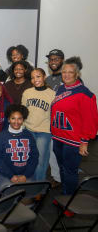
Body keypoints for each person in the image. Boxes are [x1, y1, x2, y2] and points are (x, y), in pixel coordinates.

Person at [51, 57, 98, 195]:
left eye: (70, 72)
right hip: (58, 138)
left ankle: (69, 200)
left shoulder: (85, 94)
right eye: (64, 72)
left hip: (73, 141)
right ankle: (65, 193)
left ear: (77, 74)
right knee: (62, 168)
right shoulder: (60, 88)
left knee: (70, 170)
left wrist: (84, 142)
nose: (66, 74)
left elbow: (90, 120)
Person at [0, 104, 39, 195]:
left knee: (29, 198)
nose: (16, 121)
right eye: (13, 118)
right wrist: (10, 175)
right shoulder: (2, 136)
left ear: (23, 120)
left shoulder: (28, 135)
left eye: (19, 118)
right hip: (6, 175)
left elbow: (34, 157)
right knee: (7, 197)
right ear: (8, 119)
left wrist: (26, 175)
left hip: (26, 174)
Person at [21, 68, 55, 181]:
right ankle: (30, 182)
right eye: (33, 77)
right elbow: (23, 112)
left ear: (44, 77)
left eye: (38, 76)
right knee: (29, 158)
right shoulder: (27, 93)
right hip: (29, 129)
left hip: (44, 131)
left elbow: (53, 115)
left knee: (41, 160)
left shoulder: (52, 94)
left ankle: (39, 186)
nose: (35, 79)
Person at [45, 49, 65, 188]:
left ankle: (65, 181)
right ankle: (57, 177)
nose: (53, 62)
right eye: (51, 59)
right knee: (51, 152)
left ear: (62, 60)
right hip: (48, 121)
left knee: (63, 154)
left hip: (63, 123)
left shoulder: (67, 77)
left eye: (56, 59)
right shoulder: (47, 79)